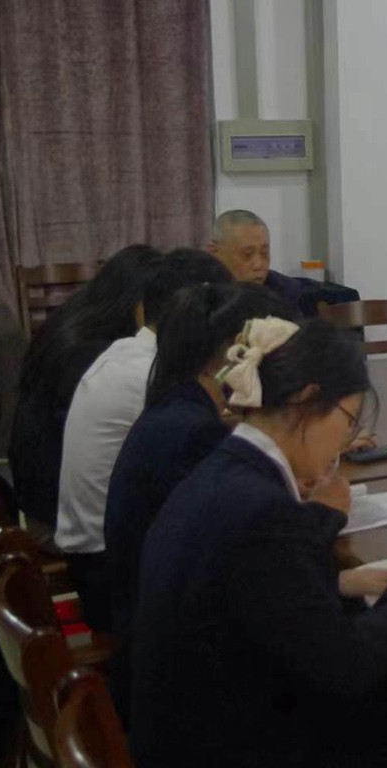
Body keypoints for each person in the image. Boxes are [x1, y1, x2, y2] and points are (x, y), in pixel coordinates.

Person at [129, 318, 387, 768]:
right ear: (308, 401)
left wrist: (340, 582)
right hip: (233, 744)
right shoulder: (264, 513)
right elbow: (345, 666)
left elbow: (241, 592)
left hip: (184, 728)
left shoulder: (223, 469)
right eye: (347, 421)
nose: (345, 442)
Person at [102, 282, 291, 700]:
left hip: (145, 629)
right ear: (235, 350)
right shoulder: (194, 435)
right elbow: (256, 549)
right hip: (176, 671)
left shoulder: (177, 405)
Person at [54, 249, 232, 629]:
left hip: (95, 552)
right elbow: (218, 465)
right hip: (111, 575)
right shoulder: (150, 373)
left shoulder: (128, 351)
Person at [7, 244, 163, 534]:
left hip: (40, 501)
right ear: (140, 305)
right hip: (59, 524)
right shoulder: (94, 356)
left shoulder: (74, 321)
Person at [209, 209, 319, 316]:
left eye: (264, 253)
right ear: (215, 252)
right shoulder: (202, 297)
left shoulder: (285, 292)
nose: (258, 265)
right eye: (247, 255)